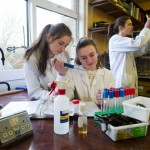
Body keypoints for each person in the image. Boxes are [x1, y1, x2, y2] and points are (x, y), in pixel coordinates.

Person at [51, 37, 115, 102]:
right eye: (84, 58)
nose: (89, 60)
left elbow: (113, 100)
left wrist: (106, 99)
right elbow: (67, 97)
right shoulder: (73, 72)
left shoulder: (108, 74)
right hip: (81, 111)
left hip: (101, 111)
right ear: (79, 59)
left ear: (97, 53)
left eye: (92, 55)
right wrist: (62, 74)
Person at [24, 23, 72, 100]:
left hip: (62, 98)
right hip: (42, 103)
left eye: (65, 45)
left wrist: (63, 74)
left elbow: (68, 82)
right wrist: (50, 95)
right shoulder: (31, 59)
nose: (63, 49)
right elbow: (34, 91)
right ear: (49, 37)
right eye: (60, 43)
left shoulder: (64, 55)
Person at [108, 16, 150, 94]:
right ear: (120, 27)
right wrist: (146, 28)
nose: (132, 27)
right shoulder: (115, 39)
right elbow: (137, 44)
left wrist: (148, 33)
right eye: (129, 24)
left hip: (129, 85)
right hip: (121, 85)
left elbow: (141, 51)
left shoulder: (125, 44)